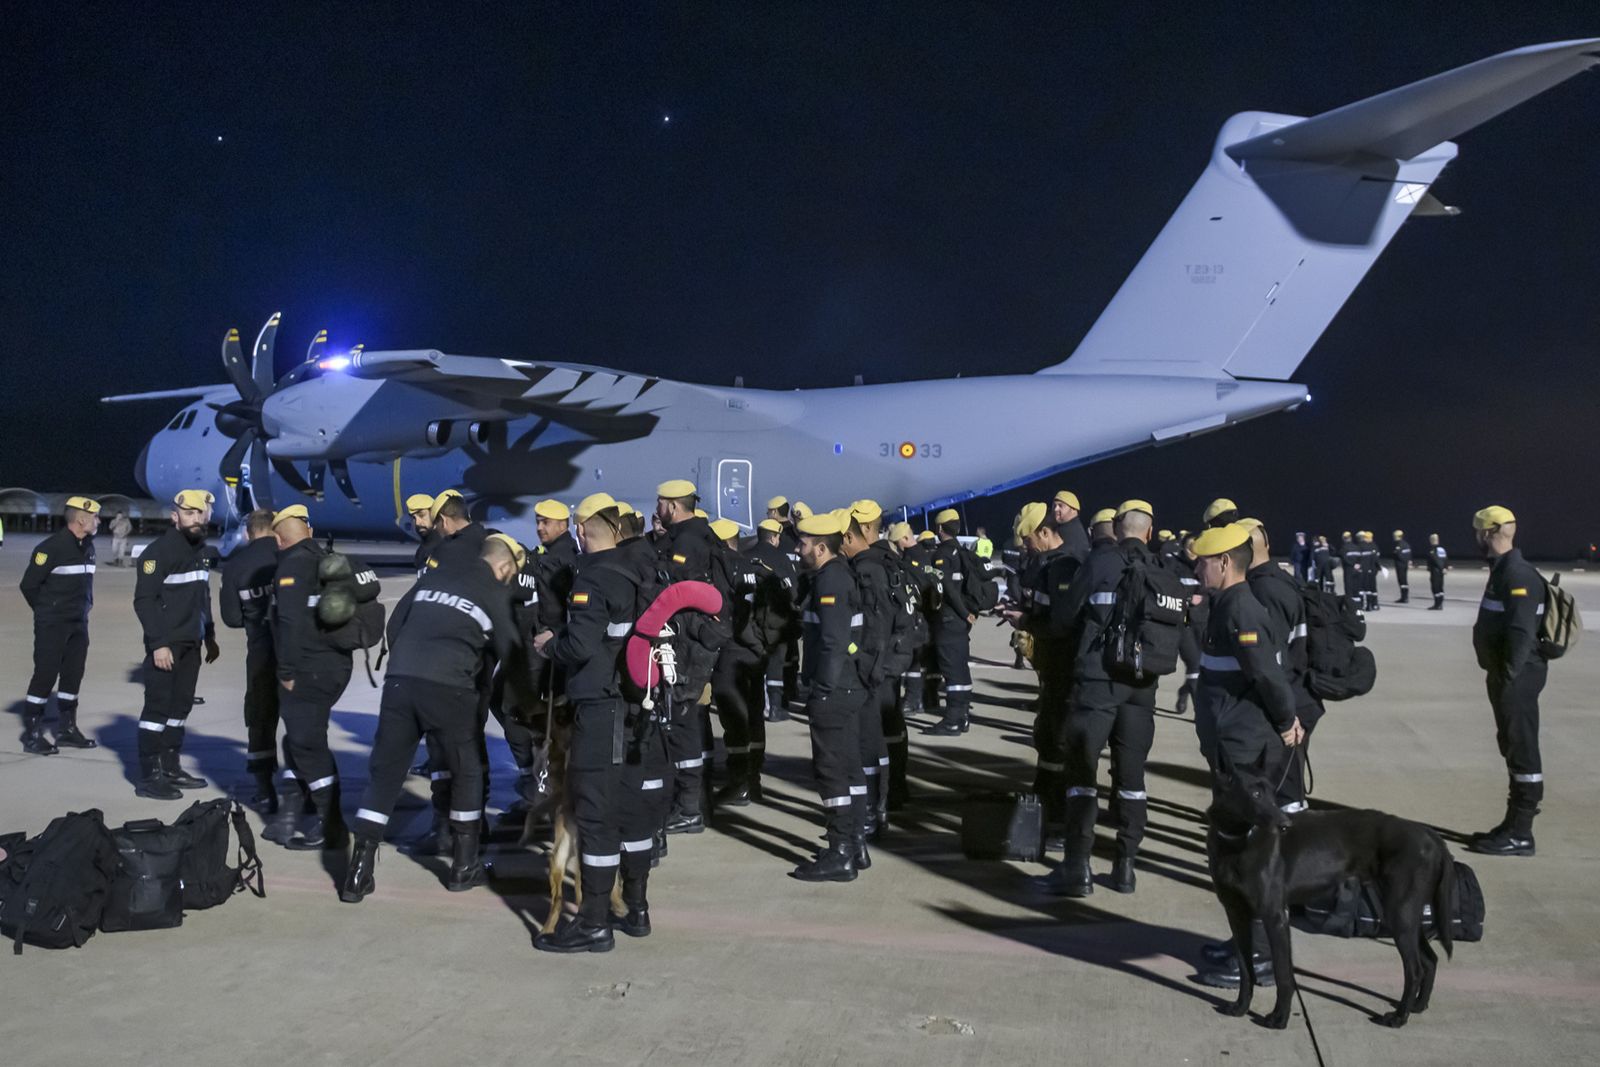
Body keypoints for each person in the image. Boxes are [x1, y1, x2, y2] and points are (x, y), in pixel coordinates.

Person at [342, 534, 520, 903]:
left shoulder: (434, 577)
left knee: (385, 772)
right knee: (467, 768)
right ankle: (463, 867)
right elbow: (512, 652)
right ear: (503, 567)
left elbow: (396, 623)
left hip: (400, 682)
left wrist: (403, 667)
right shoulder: (492, 590)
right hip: (449, 688)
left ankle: (359, 871)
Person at [534, 496, 664, 951]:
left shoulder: (593, 576)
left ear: (587, 529)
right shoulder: (639, 569)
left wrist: (551, 645)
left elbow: (582, 646)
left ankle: (592, 923)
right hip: (636, 706)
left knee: (595, 814)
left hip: (600, 708)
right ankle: (637, 907)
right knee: (632, 813)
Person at [1046, 500, 1163, 896]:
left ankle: (1077, 867)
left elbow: (1063, 618)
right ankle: (1125, 868)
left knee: (1082, 775)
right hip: (1142, 685)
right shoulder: (1162, 569)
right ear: (1148, 532)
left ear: (1116, 529)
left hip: (1097, 682)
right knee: (1131, 779)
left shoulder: (1099, 564)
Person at [268, 504, 376, 849]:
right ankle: (290, 818)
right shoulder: (328, 560)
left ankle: (331, 826)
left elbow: (290, 624)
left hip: (308, 670)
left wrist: (285, 671)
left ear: (278, 538)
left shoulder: (292, 567)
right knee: (303, 739)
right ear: (309, 532)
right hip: (337, 667)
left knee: (307, 744)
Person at [790, 511, 870, 881]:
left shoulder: (830, 582)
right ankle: (854, 844)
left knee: (832, 772)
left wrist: (821, 690)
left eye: (804, 543)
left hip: (835, 690)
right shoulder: (832, 575)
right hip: (849, 686)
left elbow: (835, 642)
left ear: (821, 548)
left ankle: (839, 852)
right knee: (850, 768)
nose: (798, 548)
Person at [1468, 506, 1548, 857]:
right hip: (1506, 676)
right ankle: (1512, 823)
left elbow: (1521, 632)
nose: (1475, 537)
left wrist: (1508, 677)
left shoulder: (1517, 574)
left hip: (1516, 678)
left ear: (1489, 533)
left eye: (1477, 531)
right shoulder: (1502, 570)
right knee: (1511, 745)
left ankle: (1521, 833)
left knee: (1522, 747)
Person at [132, 490, 221, 799]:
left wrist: (209, 635)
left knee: (180, 708)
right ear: (175, 516)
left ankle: (170, 766)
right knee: (157, 710)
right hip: (167, 644)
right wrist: (158, 644)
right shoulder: (158, 553)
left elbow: (203, 597)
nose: (197, 518)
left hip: (192, 644)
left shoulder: (202, 551)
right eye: (190, 513)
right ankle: (149, 776)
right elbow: (144, 601)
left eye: (202, 513)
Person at [654, 479, 725, 834]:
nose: (658, 510)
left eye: (661, 503)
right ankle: (690, 803)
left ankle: (688, 808)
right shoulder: (702, 535)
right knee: (685, 720)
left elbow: (680, 592)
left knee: (681, 723)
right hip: (694, 641)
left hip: (688, 644)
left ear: (672, 506)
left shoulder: (687, 541)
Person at [1238, 518, 1323, 812]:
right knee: (1287, 784)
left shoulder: (1263, 593)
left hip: (1285, 704)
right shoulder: (1282, 580)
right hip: (1297, 695)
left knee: (1283, 792)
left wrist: (1284, 717)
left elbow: (1270, 664)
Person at [1002, 502, 1073, 841]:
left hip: (1064, 669)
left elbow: (1060, 623)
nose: (1026, 546)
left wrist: (1025, 621)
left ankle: (1059, 820)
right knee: (1046, 738)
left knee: (1057, 741)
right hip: (1051, 669)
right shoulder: (1046, 565)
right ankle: (1047, 803)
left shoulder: (1064, 567)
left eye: (1029, 539)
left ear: (1046, 533)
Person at [19, 495, 103, 754]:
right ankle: (32, 735)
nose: (99, 521)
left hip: (79, 623)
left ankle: (67, 730)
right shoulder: (51, 548)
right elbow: (29, 585)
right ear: (81, 519)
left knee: (72, 675)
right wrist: (47, 613)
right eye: (95, 517)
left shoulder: (88, 546)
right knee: (45, 676)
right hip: (53, 625)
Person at [218, 508, 283, 811]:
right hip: (297, 650)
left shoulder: (235, 566)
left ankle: (265, 790)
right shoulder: (291, 557)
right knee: (301, 722)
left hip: (260, 650)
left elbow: (231, 618)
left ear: (248, 533)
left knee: (260, 718)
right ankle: (307, 792)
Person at [924, 508, 977, 736]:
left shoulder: (942, 554)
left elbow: (945, 588)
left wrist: (963, 612)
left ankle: (953, 720)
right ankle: (963, 716)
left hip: (949, 618)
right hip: (961, 621)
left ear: (939, 529)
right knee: (961, 668)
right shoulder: (962, 552)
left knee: (951, 670)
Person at [750, 517, 799, 723]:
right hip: (776, 621)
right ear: (774, 537)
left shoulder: (746, 556)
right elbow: (794, 591)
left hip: (750, 621)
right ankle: (775, 707)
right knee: (776, 663)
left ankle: (756, 705)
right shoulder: (781, 559)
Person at [1051, 490, 1090, 563]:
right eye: (1054, 505)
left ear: (1073, 509)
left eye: (1060, 505)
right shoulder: (1065, 527)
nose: (1056, 509)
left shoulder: (1072, 531)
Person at [405, 493, 437, 576]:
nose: (417, 523)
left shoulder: (445, 546)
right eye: (413, 518)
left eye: (422, 515)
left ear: (434, 514)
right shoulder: (421, 551)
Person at [1427, 533, 1449, 610]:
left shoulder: (1433, 550)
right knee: (1440, 588)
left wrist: (1440, 568)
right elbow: (1445, 559)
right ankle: (1440, 603)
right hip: (1441, 572)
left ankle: (1437, 604)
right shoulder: (1442, 549)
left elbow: (1436, 560)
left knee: (1435, 588)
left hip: (1435, 571)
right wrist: (1445, 567)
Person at [1390, 530, 1412, 604]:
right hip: (1405, 565)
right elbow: (1409, 554)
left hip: (1400, 565)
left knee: (1402, 581)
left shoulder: (1398, 545)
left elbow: (1397, 554)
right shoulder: (1406, 544)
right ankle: (1405, 596)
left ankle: (1404, 597)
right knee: (1404, 581)